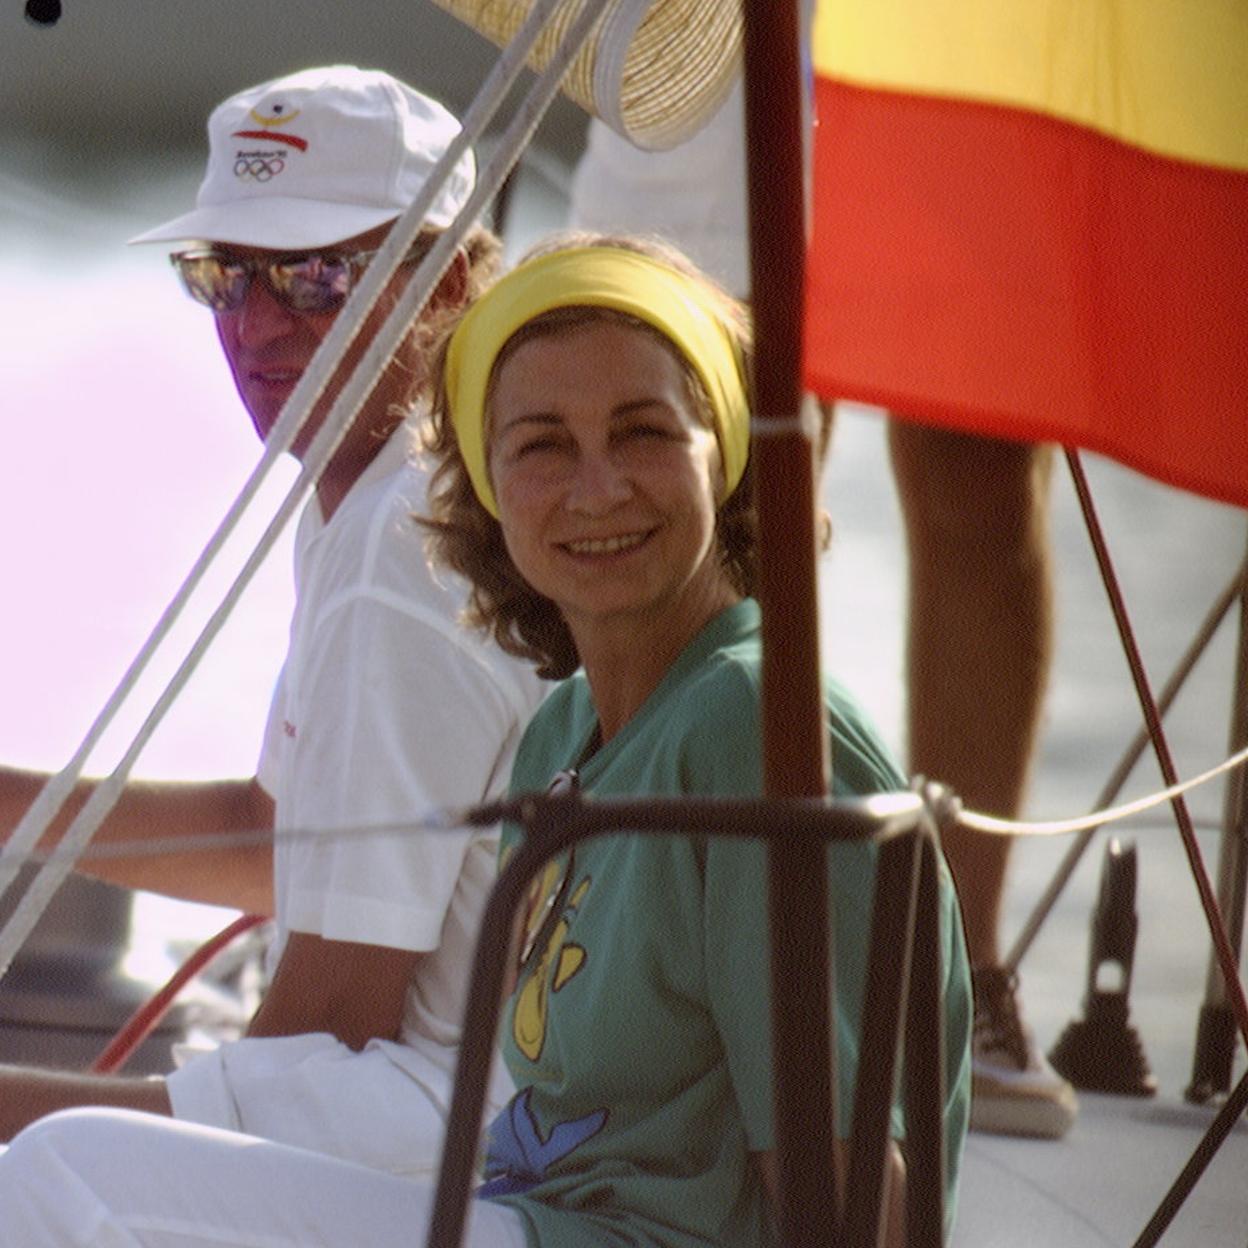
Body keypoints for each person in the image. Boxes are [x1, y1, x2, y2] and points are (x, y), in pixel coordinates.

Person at [0, 235, 970, 1246]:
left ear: (720, 451)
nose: (596, 488)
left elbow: (858, 1200)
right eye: (543, 444)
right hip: (525, 1214)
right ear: (487, 487)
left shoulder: (752, 726)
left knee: (70, 1176)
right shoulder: (565, 727)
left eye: (642, 433)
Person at [0, 65, 545, 1175]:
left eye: (317, 276)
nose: (255, 325)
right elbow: (275, 842)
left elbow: (324, 1033)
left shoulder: (407, 548)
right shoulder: (389, 483)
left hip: (458, 1145)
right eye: (224, 274)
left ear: (454, 283)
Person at [570, 88, 1076, 1140]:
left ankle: (960, 972)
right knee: (706, 403)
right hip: (718, 48)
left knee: (977, 447)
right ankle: (670, 942)